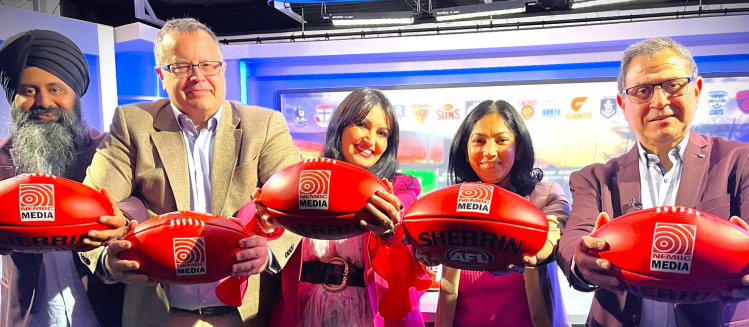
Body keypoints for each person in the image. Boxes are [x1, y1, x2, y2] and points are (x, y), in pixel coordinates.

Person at [77, 18, 302, 327]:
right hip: (157, 311)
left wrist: (270, 253)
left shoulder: (263, 125)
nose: (198, 77)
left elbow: (298, 203)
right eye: (181, 67)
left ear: (221, 68)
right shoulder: (132, 124)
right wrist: (107, 260)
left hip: (244, 313)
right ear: (161, 76)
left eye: (208, 64)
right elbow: (92, 207)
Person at [557, 37, 749, 327]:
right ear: (623, 104)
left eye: (673, 85)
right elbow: (574, 240)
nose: (659, 102)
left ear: (696, 91)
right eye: (642, 91)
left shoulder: (740, 162)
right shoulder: (594, 178)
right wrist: (581, 260)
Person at [0, 29, 144, 327]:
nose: (43, 102)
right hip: (26, 317)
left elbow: (140, 199)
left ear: (76, 94)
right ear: (11, 97)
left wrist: (121, 219)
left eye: (56, 89)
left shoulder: (111, 150)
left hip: (106, 312)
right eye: (28, 91)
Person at [252, 88, 424, 327]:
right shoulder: (304, 179)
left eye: (382, 133)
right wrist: (269, 222)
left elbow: (409, 249)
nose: (371, 140)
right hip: (304, 309)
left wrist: (389, 231)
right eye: (362, 125)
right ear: (340, 127)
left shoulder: (399, 188)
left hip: (368, 313)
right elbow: (273, 247)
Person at [417, 100, 570, 327]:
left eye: (502, 140)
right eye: (479, 141)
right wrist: (422, 251)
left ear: (518, 149)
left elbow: (552, 237)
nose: (489, 152)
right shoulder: (447, 203)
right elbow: (421, 246)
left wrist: (530, 254)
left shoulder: (547, 196)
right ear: (466, 149)